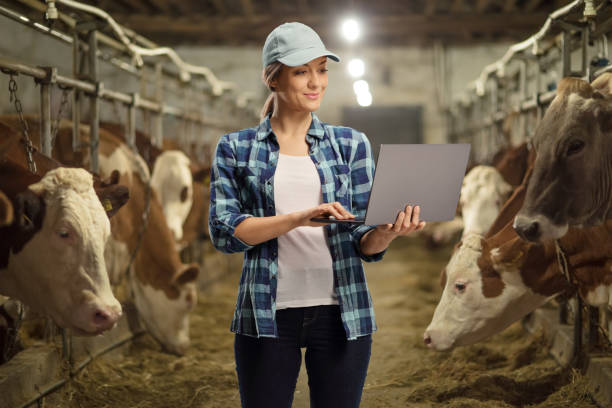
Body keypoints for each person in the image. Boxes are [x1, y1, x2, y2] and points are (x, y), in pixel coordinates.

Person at [208, 22, 426, 408]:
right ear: (272, 79)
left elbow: (364, 239)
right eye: (301, 71)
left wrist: (390, 231)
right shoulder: (236, 148)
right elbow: (224, 232)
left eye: (322, 69)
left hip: (343, 312)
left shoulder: (350, 144)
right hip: (265, 313)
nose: (316, 82)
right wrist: (296, 218)